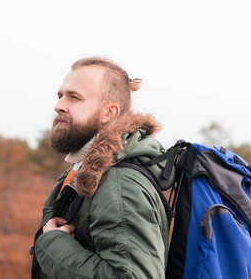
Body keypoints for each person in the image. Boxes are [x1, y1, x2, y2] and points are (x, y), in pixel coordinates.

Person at [30, 57, 169, 278]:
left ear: (109, 113)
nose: (59, 106)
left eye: (74, 97)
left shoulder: (119, 185)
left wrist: (53, 244)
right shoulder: (83, 172)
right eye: (60, 96)